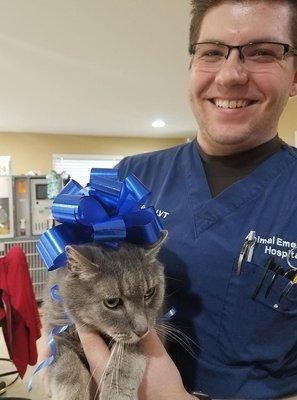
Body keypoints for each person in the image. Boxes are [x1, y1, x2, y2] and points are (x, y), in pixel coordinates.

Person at [78, 0, 297, 398]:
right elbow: (67, 294)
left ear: (295, 75)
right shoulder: (128, 177)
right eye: (212, 52)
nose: (230, 75)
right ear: (192, 66)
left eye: (263, 52)